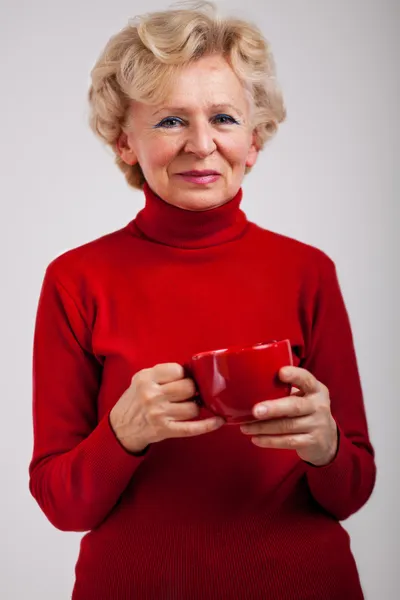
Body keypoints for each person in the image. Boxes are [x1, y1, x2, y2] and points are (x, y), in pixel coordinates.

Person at [28, 2, 376, 598]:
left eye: (223, 117)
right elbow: (62, 505)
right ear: (125, 142)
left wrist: (325, 447)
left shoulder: (308, 272)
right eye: (169, 121)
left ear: (255, 140)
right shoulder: (74, 279)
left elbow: (353, 489)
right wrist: (124, 432)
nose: (201, 144)